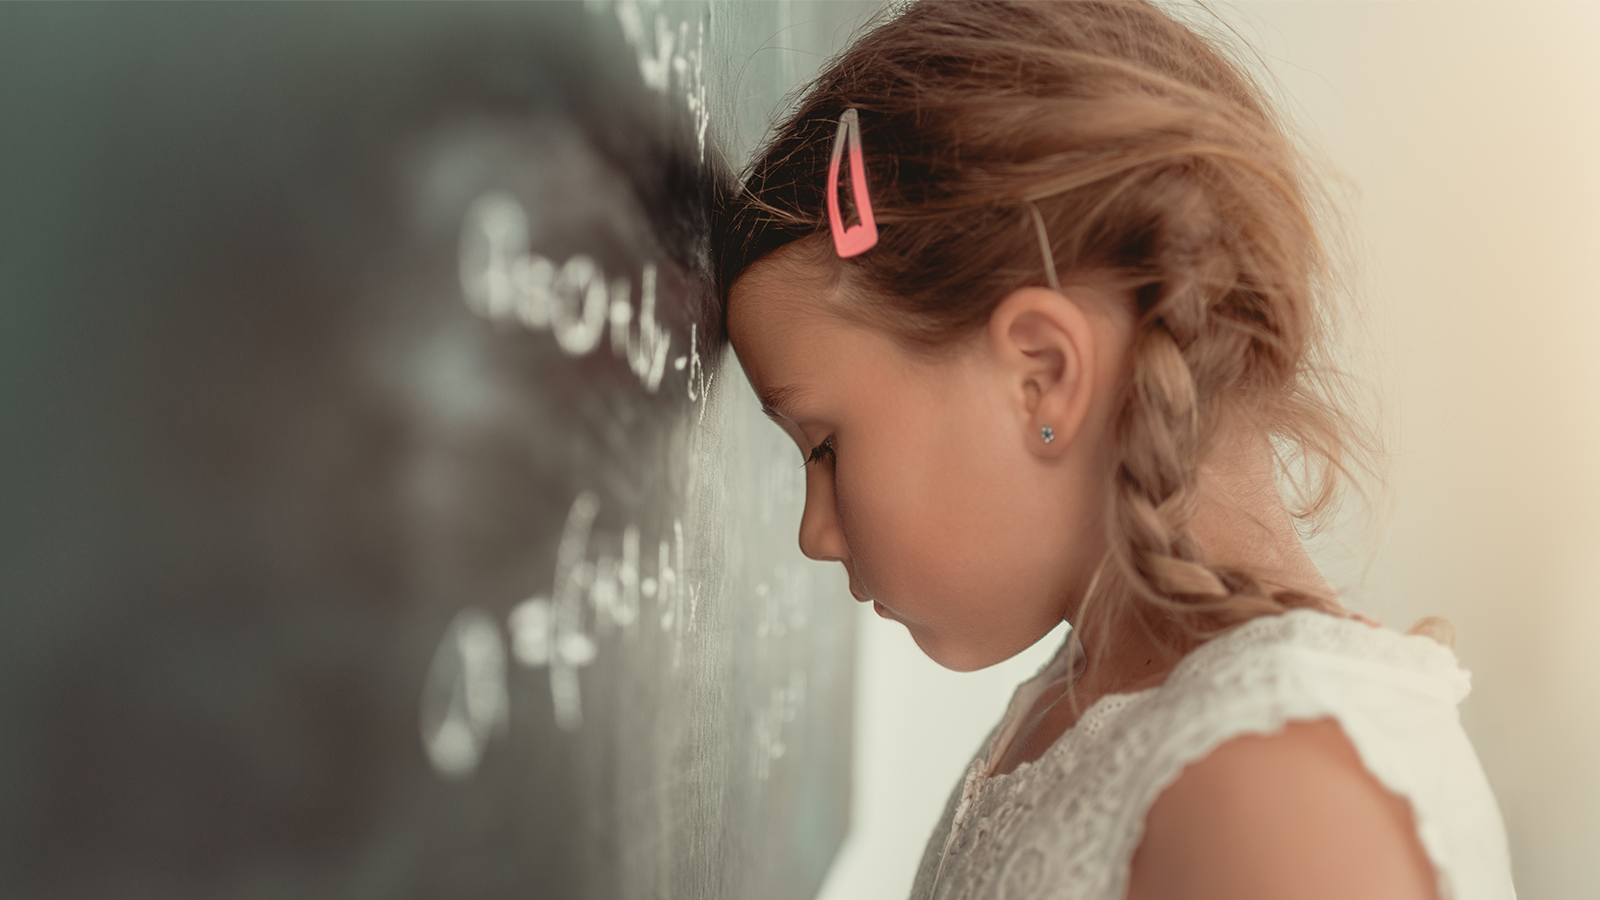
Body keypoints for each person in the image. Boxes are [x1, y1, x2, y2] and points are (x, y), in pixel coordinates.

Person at [717, 0, 1516, 898]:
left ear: (1043, 377)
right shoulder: (1086, 702)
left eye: (822, 448)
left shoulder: (1281, 798)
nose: (814, 533)